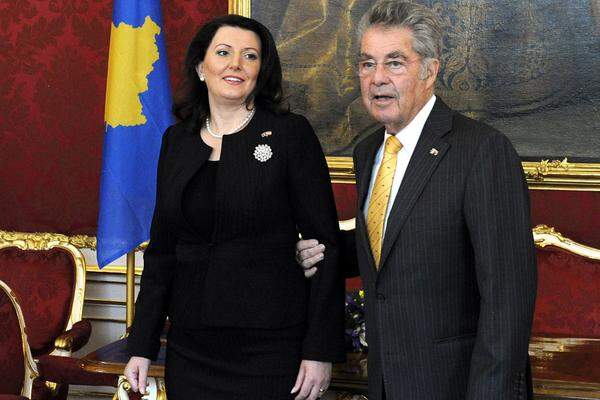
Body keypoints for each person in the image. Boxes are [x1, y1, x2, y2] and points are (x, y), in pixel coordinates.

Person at [296, 2, 537, 399]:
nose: (376, 79)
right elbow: (388, 244)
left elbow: (507, 301)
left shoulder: (481, 150)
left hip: (457, 386)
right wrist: (319, 252)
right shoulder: (368, 151)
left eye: (394, 63)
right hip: (387, 383)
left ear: (430, 70)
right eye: (366, 63)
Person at [123, 15, 345, 400]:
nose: (235, 65)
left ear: (262, 69)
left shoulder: (291, 134)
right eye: (223, 53)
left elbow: (325, 247)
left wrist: (319, 350)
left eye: (250, 56)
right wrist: (141, 346)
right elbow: (162, 253)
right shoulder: (178, 141)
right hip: (192, 345)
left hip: (271, 345)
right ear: (200, 66)